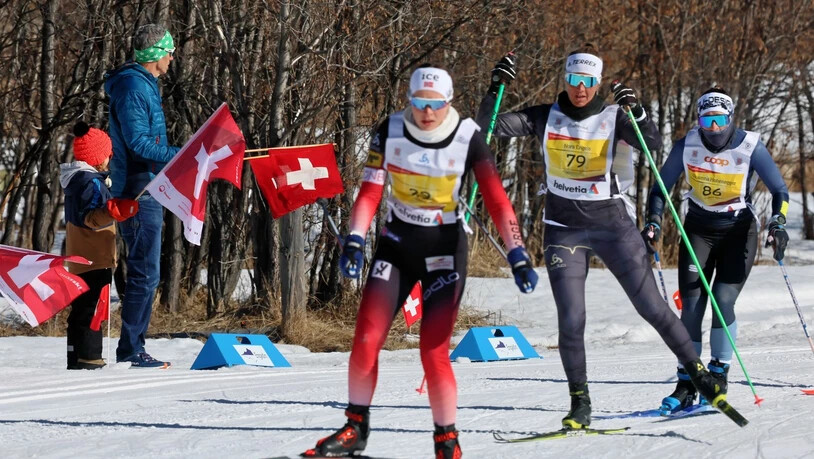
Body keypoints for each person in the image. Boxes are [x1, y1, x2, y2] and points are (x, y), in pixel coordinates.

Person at [478, 45, 727, 429]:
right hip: (564, 230)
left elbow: (654, 142)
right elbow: (490, 127)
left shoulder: (614, 117)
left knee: (652, 307)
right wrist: (495, 89)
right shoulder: (546, 116)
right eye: (575, 80)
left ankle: (699, 375)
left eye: (588, 81)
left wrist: (639, 111)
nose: (581, 88)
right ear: (567, 79)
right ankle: (580, 401)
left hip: (612, 226)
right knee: (571, 318)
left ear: (597, 83)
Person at [303, 65, 538, 458]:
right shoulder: (390, 130)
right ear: (409, 99)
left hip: (445, 250)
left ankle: (447, 440)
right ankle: (355, 427)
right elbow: (369, 192)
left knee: (433, 351)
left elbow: (497, 198)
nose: (427, 112)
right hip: (396, 245)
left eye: (436, 104)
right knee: (365, 340)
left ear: (449, 103)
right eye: (419, 103)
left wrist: (517, 255)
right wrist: (356, 241)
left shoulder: (467, 137)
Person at [643, 88, 789, 413]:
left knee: (723, 300)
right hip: (697, 231)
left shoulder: (750, 146)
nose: (713, 128)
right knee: (691, 307)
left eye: (719, 120)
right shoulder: (687, 145)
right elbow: (659, 188)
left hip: (738, 232)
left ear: (731, 118)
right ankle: (688, 383)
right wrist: (653, 221)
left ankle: (719, 372)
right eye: (706, 120)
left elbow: (780, 189)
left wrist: (778, 222)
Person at [104, 24, 180, 368]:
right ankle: (131, 349)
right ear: (155, 55)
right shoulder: (134, 87)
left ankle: (133, 346)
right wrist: (184, 154)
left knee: (147, 272)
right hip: (136, 191)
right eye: (168, 51)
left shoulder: (144, 85)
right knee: (144, 273)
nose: (171, 57)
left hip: (148, 187)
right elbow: (138, 144)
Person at [60, 122, 139, 370]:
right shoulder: (89, 182)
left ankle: (76, 355)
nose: (110, 157)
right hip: (94, 256)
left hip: (81, 255)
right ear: (96, 157)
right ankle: (90, 357)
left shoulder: (79, 180)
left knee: (82, 308)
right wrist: (114, 212)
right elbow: (91, 218)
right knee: (93, 308)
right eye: (107, 153)